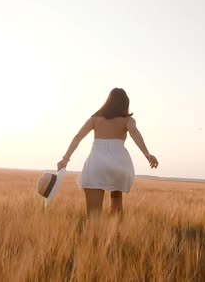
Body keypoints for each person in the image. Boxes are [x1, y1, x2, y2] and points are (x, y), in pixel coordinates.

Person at [57, 88, 158, 216]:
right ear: (125, 103)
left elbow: (78, 136)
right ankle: (116, 233)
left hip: (97, 164)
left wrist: (65, 159)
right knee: (116, 211)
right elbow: (135, 133)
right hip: (119, 166)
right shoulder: (127, 120)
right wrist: (147, 154)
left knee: (94, 216)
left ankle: (96, 233)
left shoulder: (95, 119)